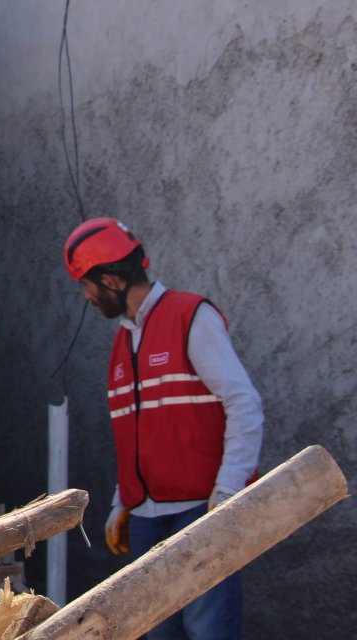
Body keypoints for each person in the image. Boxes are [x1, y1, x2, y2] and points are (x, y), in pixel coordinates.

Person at [64, 217, 262, 639]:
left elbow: (244, 403)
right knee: (157, 631)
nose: (86, 296)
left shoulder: (191, 316)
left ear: (113, 280)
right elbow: (136, 434)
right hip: (146, 519)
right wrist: (123, 503)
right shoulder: (123, 340)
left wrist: (227, 493)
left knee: (207, 630)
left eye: (87, 284)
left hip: (200, 513)